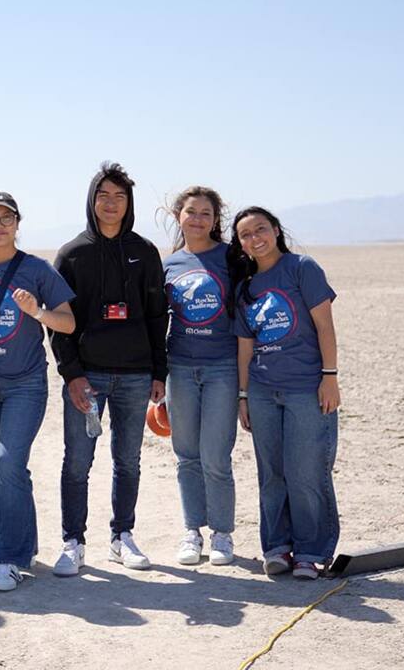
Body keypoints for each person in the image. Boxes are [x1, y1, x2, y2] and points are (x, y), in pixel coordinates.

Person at [0, 191, 76, 592]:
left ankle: (10, 558)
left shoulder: (37, 270)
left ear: (17, 224)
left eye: (7, 218)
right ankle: (14, 540)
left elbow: (69, 324)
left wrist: (36, 312)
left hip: (26, 383)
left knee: (8, 464)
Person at [49, 163, 168, 577]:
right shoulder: (72, 254)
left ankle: (122, 536)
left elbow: (158, 316)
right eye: (104, 196)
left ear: (129, 203)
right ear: (92, 201)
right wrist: (72, 374)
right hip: (88, 376)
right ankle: (73, 542)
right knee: (77, 462)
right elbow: (59, 322)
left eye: (119, 196)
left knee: (128, 461)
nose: (111, 203)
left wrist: (159, 372)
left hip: (136, 376)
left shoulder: (146, 252)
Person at [228, 206, 340, 581]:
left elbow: (325, 326)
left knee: (306, 472)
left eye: (261, 229)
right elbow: (245, 346)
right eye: (246, 234)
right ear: (240, 244)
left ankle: (310, 552)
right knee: (271, 474)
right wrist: (243, 396)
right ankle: (276, 548)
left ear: (275, 230)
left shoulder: (302, 268)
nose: (255, 238)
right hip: (262, 392)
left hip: (306, 388)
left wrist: (330, 377)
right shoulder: (245, 287)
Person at [163, 186, 238, 566]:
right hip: (180, 367)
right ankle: (192, 531)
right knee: (186, 455)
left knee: (215, 455)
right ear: (179, 216)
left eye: (205, 213)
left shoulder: (231, 258)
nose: (197, 219)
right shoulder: (170, 264)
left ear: (215, 219)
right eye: (191, 211)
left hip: (222, 367)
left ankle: (222, 534)